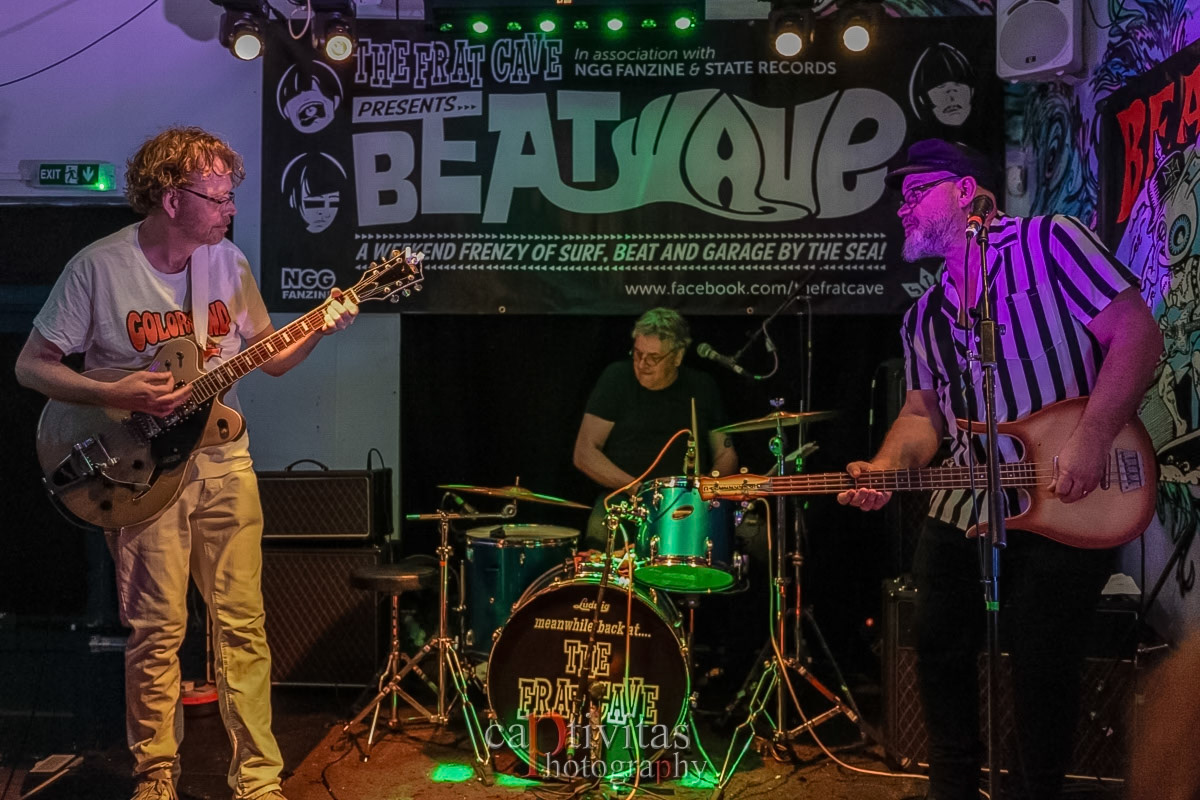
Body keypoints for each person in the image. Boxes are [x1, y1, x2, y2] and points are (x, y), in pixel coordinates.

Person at [14, 127, 358, 800]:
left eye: (230, 196)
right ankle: (156, 775)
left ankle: (258, 779)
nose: (230, 209)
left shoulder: (228, 263)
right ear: (172, 199)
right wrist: (117, 393)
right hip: (138, 473)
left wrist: (320, 324)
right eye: (217, 197)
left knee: (243, 625)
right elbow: (32, 367)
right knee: (156, 631)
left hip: (223, 461)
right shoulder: (98, 268)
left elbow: (272, 357)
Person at [837, 139, 1160, 800]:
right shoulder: (925, 315)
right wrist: (886, 466)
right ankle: (952, 787)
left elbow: (1137, 334)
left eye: (916, 192)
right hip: (968, 499)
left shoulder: (1052, 243)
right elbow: (922, 414)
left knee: (1043, 659)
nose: (902, 208)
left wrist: (1094, 436)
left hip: (1070, 494)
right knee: (936, 644)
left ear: (966, 191)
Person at [573, 308, 738, 548]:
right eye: (637, 353)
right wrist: (638, 489)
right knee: (600, 535)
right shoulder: (616, 378)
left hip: (687, 502)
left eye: (653, 357)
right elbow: (584, 452)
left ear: (678, 356)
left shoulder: (702, 387)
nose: (642, 364)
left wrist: (707, 487)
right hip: (626, 499)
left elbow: (726, 453)